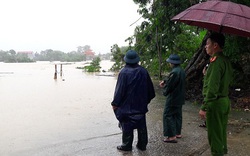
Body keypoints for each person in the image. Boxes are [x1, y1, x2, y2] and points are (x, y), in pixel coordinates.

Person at [111, 50, 155, 151]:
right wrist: (145, 101)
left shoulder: (123, 72)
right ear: (137, 60)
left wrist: (115, 104)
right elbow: (151, 90)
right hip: (140, 107)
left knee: (126, 125)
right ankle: (142, 144)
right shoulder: (143, 71)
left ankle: (127, 145)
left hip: (127, 107)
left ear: (126, 60)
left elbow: (119, 90)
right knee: (142, 126)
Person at [199, 32, 233, 156]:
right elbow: (224, 79)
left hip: (215, 103)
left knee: (214, 136)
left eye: (207, 44)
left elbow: (212, 88)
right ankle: (221, 152)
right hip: (224, 101)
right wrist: (207, 74)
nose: (205, 47)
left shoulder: (216, 61)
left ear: (215, 45)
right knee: (221, 133)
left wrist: (204, 106)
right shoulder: (225, 60)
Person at [159, 54, 185, 143]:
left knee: (167, 115)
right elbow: (173, 80)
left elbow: (170, 85)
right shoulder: (181, 71)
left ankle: (171, 136)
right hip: (180, 97)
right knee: (177, 115)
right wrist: (165, 81)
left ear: (172, 63)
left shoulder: (174, 72)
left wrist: (164, 91)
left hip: (173, 97)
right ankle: (177, 133)